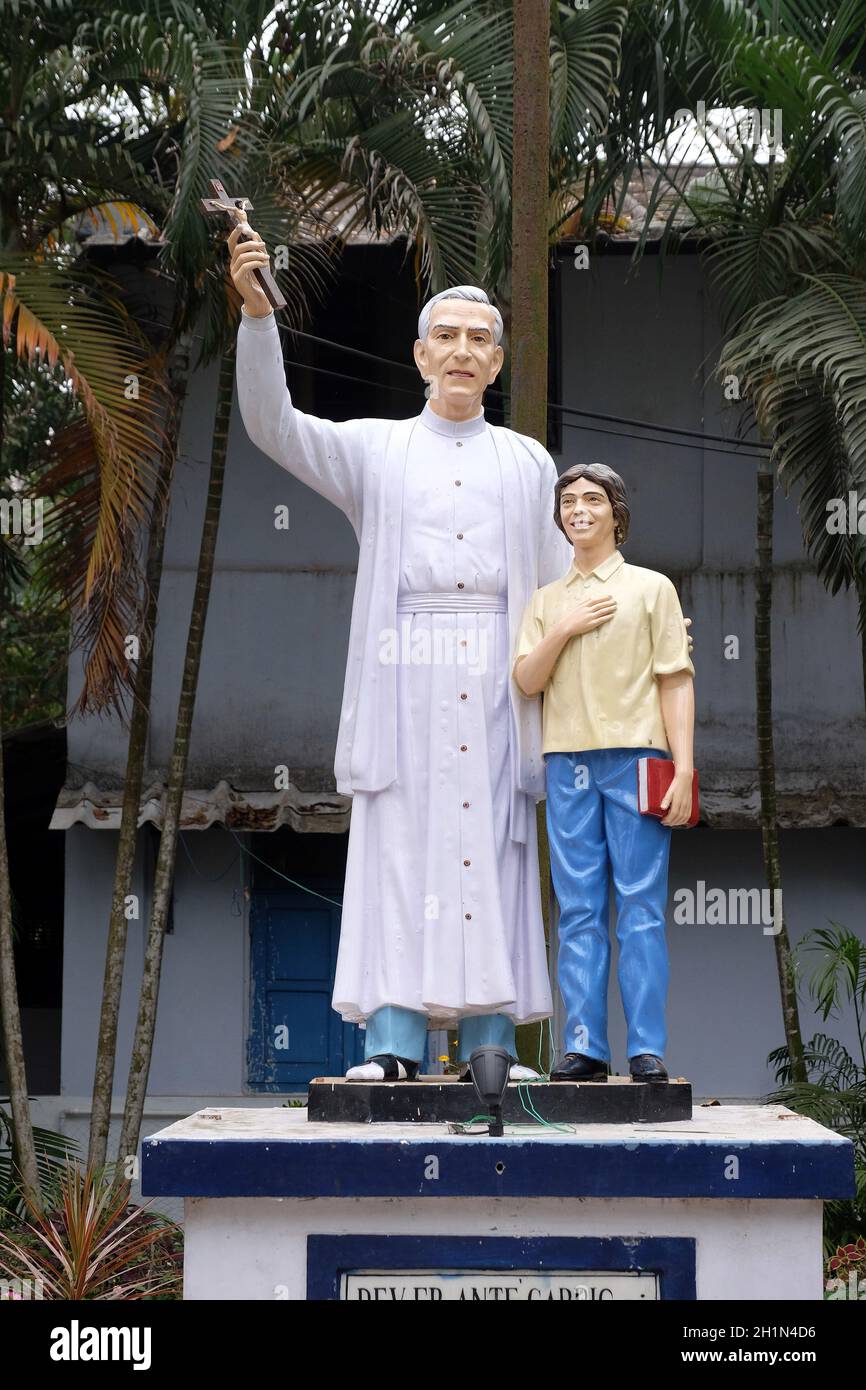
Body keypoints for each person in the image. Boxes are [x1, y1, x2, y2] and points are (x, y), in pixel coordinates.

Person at [229, 215, 572, 1081]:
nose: (462, 351)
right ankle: (391, 1045)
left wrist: (638, 628)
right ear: (421, 357)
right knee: (400, 847)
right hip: (404, 665)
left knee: (495, 846)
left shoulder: (530, 463)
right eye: (446, 337)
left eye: (480, 340)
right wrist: (257, 317)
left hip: (500, 670)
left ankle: (494, 1043)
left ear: (497, 363)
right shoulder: (375, 450)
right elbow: (275, 424)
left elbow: (566, 582)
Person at [513, 463, 696, 1083]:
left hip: (639, 758)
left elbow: (675, 678)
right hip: (567, 761)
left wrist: (685, 766)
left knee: (641, 906)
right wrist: (564, 626)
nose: (579, 510)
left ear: (618, 512)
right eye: (568, 501)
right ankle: (584, 1044)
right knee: (578, 909)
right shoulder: (545, 602)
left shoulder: (652, 589)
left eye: (593, 499)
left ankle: (647, 1047)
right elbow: (526, 680)